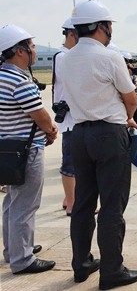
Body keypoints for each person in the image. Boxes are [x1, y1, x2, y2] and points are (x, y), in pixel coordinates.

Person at [59, 0, 137, 288]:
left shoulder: (64, 58)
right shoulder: (109, 57)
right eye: (109, 25)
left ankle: (81, 263)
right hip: (109, 134)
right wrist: (127, 116)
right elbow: (130, 97)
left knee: (83, 202)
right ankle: (112, 270)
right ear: (100, 27)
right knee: (112, 204)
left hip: (80, 135)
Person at [0, 24, 58, 274]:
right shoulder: (19, 80)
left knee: (12, 202)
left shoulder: (2, 75)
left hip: (7, 149)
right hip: (26, 150)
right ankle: (22, 259)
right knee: (25, 205)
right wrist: (51, 131)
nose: (34, 50)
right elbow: (40, 115)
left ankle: (13, 250)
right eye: (32, 46)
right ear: (19, 51)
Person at [53, 18, 79, 217]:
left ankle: (68, 198)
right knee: (70, 162)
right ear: (72, 35)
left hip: (76, 116)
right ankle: (71, 203)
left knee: (75, 160)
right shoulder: (64, 57)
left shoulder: (69, 55)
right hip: (70, 118)